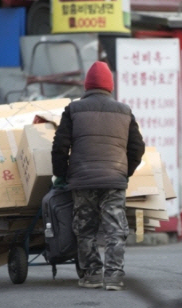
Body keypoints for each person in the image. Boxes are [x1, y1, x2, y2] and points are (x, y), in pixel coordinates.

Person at [51, 61, 145, 290]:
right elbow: (137, 148)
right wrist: (125, 172)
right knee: (115, 229)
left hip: (82, 181)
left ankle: (92, 274)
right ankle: (113, 276)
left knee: (85, 228)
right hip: (114, 180)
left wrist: (61, 175)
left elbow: (59, 147)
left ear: (87, 86)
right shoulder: (124, 111)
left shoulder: (73, 109)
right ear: (110, 86)